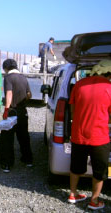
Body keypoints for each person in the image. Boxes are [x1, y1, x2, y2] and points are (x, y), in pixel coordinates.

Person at [67, 60, 111, 210]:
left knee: (76, 166)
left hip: (78, 134)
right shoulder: (109, 87)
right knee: (99, 171)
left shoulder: (79, 85)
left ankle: (72, 194)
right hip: (99, 137)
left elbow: (72, 111)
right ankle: (94, 200)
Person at [0, 59, 32, 173]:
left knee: (7, 137)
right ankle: (28, 160)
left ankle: (7, 164)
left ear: (6, 68)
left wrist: (6, 109)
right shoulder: (23, 77)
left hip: (12, 111)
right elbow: (29, 95)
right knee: (24, 136)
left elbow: (9, 93)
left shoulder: (8, 78)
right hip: (23, 110)